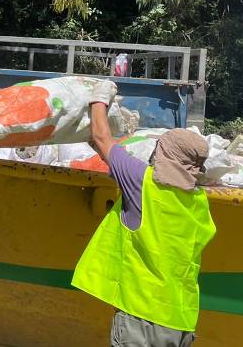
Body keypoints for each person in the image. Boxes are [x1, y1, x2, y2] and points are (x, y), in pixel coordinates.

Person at [72, 83, 216, 347]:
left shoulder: (142, 182)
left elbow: (102, 138)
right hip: (180, 319)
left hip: (142, 316)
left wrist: (98, 98)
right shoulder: (199, 201)